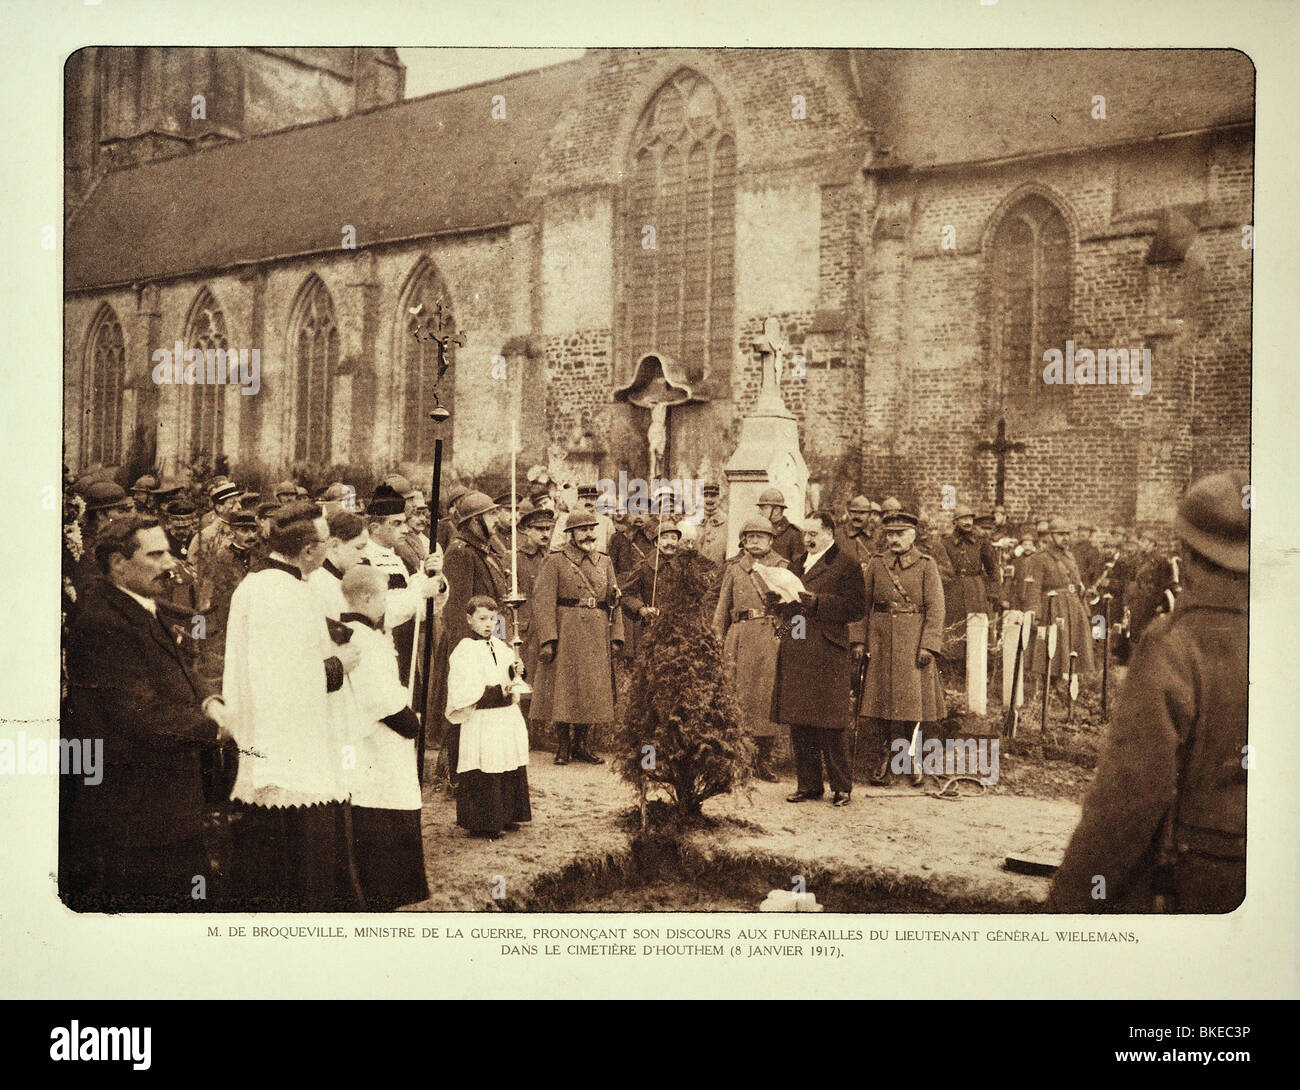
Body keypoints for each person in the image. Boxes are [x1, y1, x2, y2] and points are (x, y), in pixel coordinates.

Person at [1049, 470, 1247, 913]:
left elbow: (1132, 794)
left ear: (1186, 551)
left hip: (1194, 881)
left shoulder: (1176, 642)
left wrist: (1073, 900)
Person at [61, 515, 230, 911]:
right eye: (155, 554)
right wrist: (215, 730)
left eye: (168, 552)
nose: (169, 564)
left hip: (165, 801)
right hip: (137, 809)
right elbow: (139, 714)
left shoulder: (141, 605)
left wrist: (210, 700)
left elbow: (181, 666)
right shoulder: (103, 622)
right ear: (119, 564)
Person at [222, 500, 363, 911]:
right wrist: (339, 664)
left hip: (299, 741)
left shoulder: (286, 584)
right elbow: (278, 680)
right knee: (296, 871)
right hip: (286, 753)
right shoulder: (274, 593)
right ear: (307, 550)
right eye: (326, 541)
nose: (329, 548)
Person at [339, 566, 433, 908]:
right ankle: (384, 892)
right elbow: (379, 697)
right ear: (366, 598)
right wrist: (412, 722)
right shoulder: (361, 639)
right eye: (382, 596)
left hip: (372, 736)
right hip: (377, 738)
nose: (386, 603)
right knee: (383, 807)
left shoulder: (357, 631)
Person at [769, 510, 866, 806]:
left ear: (829, 533)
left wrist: (820, 603)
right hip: (797, 645)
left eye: (813, 533)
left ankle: (841, 787)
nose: (807, 539)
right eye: (804, 534)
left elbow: (856, 607)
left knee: (831, 722)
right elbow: (789, 608)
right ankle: (809, 785)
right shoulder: (796, 564)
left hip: (827, 649)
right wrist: (777, 604)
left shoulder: (845, 564)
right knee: (801, 720)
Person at [530, 508, 625, 765]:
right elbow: (543, 601)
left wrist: (616, 636)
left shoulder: (605, 561)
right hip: (567, 629)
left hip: (596, 630)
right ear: (570, 534)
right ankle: (563, 746)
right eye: (583, 529)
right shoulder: (555, 561)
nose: (588, 534)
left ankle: (582, 745)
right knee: (565, 688)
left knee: (592, 690)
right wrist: (548, 639)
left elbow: (614, 601)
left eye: (591, 529)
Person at [860, 510, 947, 786]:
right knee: (881, 702)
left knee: (914, 706)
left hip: (913, 643)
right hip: (881, 640)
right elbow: (863, 606)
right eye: (890, 534)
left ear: (913, 535)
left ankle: (912, 757)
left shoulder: (926, 564)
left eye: (900, 534)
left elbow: (936, 608)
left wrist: (929, 646)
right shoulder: (876, 564)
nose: (894, 539)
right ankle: (885, 756)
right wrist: (860, 641)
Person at [434, 491, 510, 781]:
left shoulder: (484, 550)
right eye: (490, 515)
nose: (496, 519)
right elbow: (457, 611)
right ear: (474, 521)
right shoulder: (460, 553)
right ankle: (456, 776)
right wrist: (467, 653)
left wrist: (497, 645)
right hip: (468, 648)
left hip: (487, 644)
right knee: (465, 711)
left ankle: (481, 773)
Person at [445, 596, 533, 839]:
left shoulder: (501, 646)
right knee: (486, 764)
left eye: (493, 619)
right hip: (482, 716)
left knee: (507, 761)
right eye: (482, 619)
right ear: (469, 619)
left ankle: (506, 814)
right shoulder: (463, 649)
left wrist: (515, 672)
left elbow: (506, 671)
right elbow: (463, 685)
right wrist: (492, 691)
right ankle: (484, 821)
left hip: (503, 715)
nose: (488, 624)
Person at [713, 516, 788, 781]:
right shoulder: (734, 569)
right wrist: (717, 639)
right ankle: (735, 760)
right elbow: (722, 607)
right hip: (739, 638)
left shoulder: (782, 567)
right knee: (737, 698)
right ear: (743, 541)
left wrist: (781, 638)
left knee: (766, 700)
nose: (755, 541)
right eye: (750, 537)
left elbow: (792, 611)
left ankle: (762, 762)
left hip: (770, 639)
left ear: (770, 540)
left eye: (761, 536)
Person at [1020, 516, 1096, 688]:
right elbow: (1033, 587)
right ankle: (1049, 684)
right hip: (1052, 607)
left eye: (1067, 534)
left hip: (1072, 606)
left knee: (1071, 646)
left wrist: (1083, 601)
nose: (1065, 538)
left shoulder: (1069, 556)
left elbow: (1076, 582)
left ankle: (1067, 683)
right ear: (1051, 536)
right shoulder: (1040, 557)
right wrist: (1034, 612)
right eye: (1061, 534)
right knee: (1052, 646)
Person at [194, 510, 263, 688]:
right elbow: (202, 600)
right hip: (224, 624)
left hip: (254, 624)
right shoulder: (218, 559)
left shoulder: (260, 558)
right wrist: (198, 639)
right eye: (244, 531)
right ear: (233, 532)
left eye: (253, 530)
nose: (251, 535)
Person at [619, 515, 686, 664]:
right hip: (651, 628)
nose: (670, 543)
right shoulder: (645, 567)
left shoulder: (686, 567)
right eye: (665, 538)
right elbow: (625, 594)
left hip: (679, 629)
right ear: (656, 542)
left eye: (674, 538)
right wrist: (642, 609)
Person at [940, 505, 999, 654]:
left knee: (977, 625)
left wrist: (993, 592)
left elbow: (992, 567)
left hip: (976, 588)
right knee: (955, 626)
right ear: (955, 522)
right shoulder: (946, 542)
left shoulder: (981, 540)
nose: (967, 522)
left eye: (969, 518)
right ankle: (954, 663)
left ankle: (980, 663)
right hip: (954, 589)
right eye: (962, 519)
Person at [755, 487, 803, 561]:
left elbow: (798, 566)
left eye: (763, 508)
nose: (759, 512)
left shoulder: (793, 534)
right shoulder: (758, 530)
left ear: (776, 510)